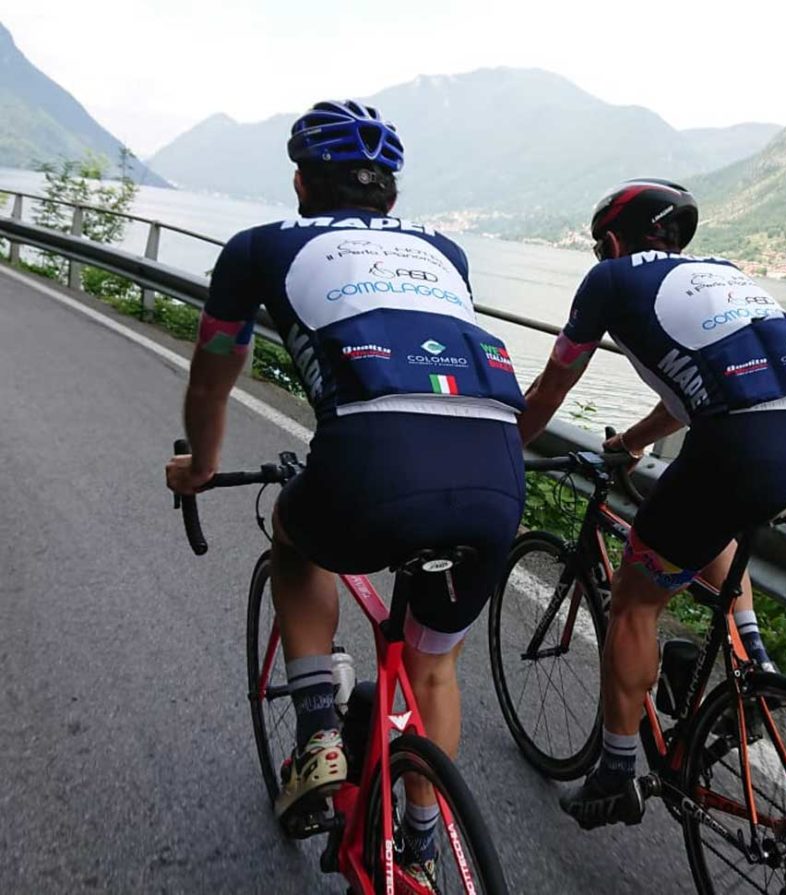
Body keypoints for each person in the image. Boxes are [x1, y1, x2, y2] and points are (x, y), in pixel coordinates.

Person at [165, 100, 525, 876]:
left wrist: (200, 462)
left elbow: (213, 376)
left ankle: (321, 728)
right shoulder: (448, 251)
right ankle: (424, 838)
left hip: (372, 461)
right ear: (391, 197)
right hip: (498, 471)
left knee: (296, 538)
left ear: (300, 181)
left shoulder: (259, 246)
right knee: (432, 665)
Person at [517, 178, 786, 830]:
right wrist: (636, 443)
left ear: (611, 240)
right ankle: (755, 663)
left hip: (743, 444)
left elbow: (554, 381)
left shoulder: (610, 281)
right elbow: (693, 385)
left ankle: (614, 770)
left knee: (637, 597)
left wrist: (504, 450)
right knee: (712, 516)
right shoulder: (721, 274)